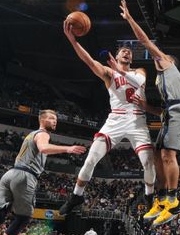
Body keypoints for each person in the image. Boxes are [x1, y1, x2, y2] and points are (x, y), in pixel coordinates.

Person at [59, 21, 155, 215]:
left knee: (148, 163)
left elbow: (138, 82)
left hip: (137, 120)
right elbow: (88, 61)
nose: (126, 52)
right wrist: (72, 40)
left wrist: (118, 70)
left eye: (129, 51)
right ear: (117, 56)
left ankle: (150, 196)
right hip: (115, 120)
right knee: (90, 159)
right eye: (122, 51)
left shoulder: (139, 71)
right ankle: (76, 196)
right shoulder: (108, 73)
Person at [119, 0, 180, 227]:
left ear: (170, 61)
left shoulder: (168, 64)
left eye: (162, 55)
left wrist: (130, 19)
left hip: (177, 111)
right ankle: (161, 200)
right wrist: (146, 107)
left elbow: (144, 40)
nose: (158, 56)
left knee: (168, 155)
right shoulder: (163, 78)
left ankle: (173, 201)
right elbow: (162, 108)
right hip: (169, 112)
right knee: (158, 155)